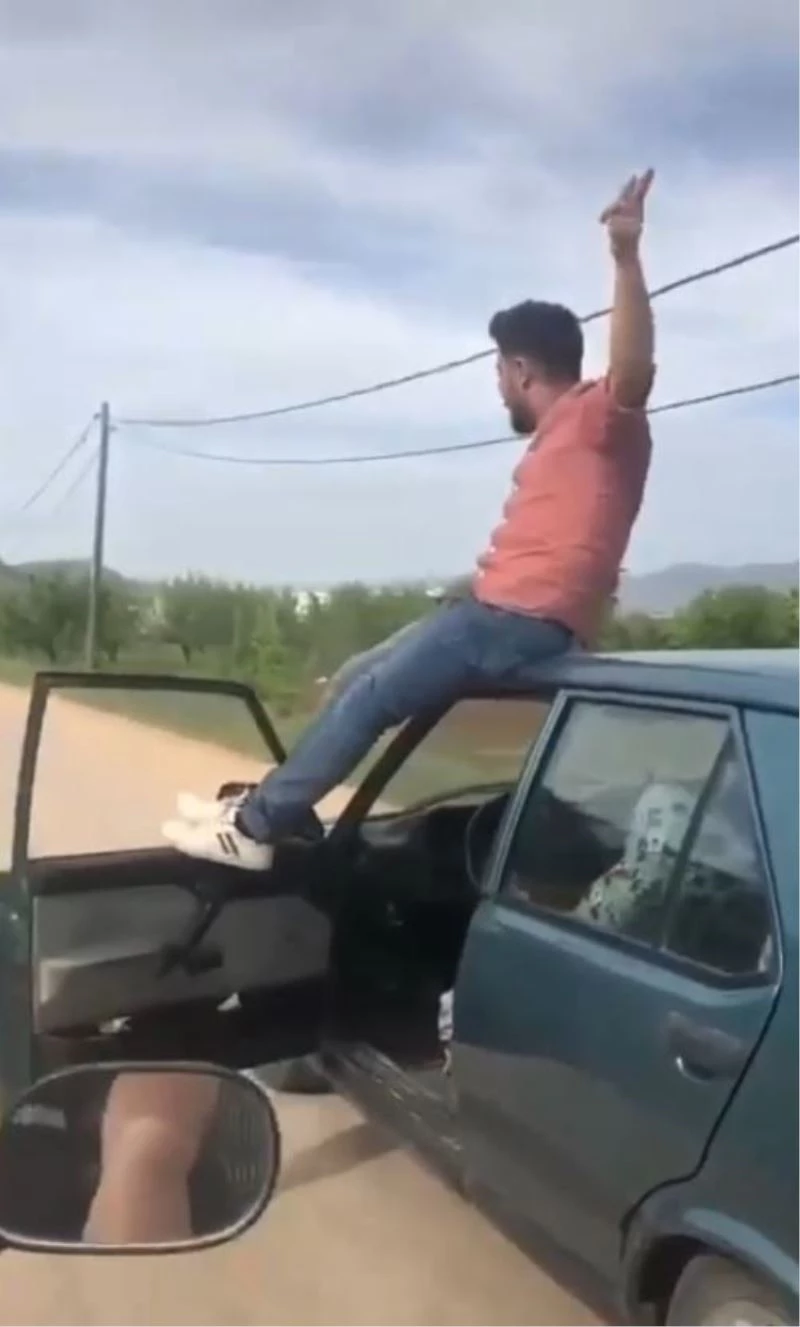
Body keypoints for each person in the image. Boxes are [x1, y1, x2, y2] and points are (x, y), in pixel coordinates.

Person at [163, 170, 657, 872]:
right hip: (492, 608)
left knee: (371, 699)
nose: (498, 387)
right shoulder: (565, 437)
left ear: (521, 370)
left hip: (516, 619)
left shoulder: (601, 417)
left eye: (498, 372)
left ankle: (255, 828)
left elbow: (634, 372)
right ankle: (278, 807)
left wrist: (625, 256)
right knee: (354, 677)